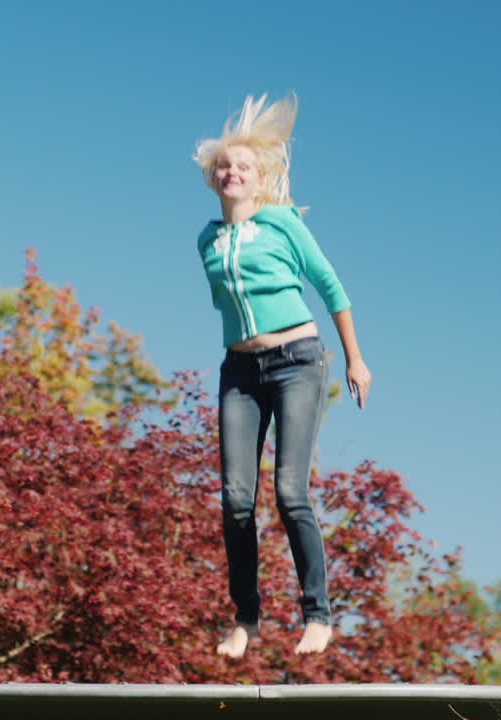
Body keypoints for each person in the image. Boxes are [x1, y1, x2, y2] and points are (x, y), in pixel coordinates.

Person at [193, 94, 371, 658]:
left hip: (297, 360)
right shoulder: (207, 241)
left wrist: (355, 359)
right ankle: (246, 618)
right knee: (234, 498)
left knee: (290, 491)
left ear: (259, 177)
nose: (233, 172)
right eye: (225, 166)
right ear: (213, 177)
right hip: (239, 371)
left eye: (244, 166)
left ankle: (317, 614)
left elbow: (331, 288)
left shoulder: (283, 224)